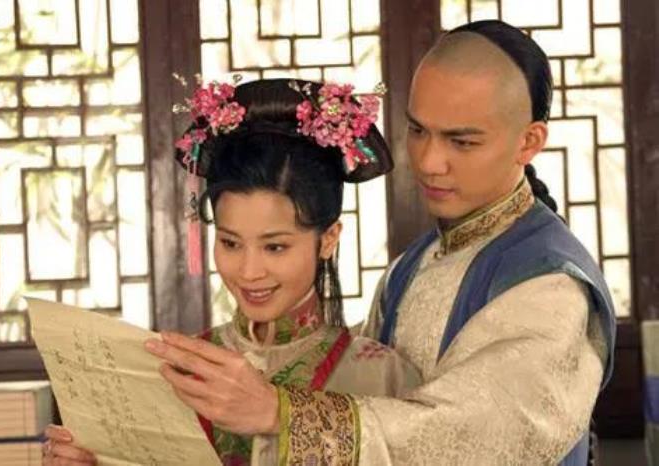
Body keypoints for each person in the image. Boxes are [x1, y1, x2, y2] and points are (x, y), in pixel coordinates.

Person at [113, 20, 616, 466]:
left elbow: (481, 435)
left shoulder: (549, 284)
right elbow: (349, 370)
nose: (428, 161)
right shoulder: (415, 264)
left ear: (529, 141)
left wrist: (280, 413)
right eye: (417, 130)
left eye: (461, 141)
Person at [41, 78, 421, 465]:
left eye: (275, 246)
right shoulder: (174, 372)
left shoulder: (382, 376)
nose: (249, 272)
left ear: (328, 239)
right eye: (230, 243)